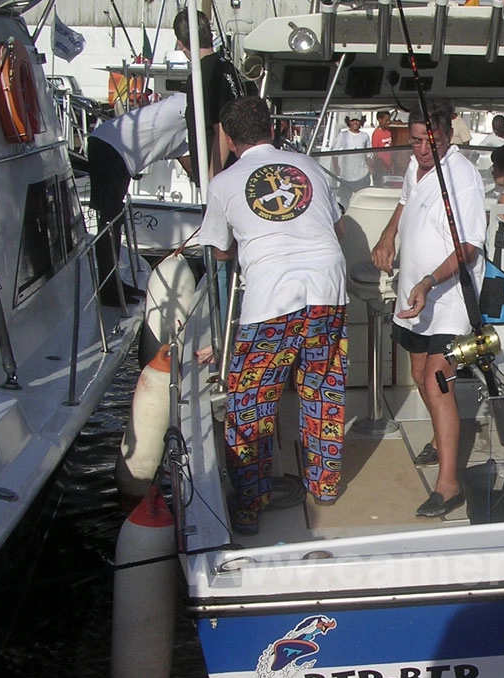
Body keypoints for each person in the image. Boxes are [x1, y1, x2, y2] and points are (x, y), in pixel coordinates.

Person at [196, 97, 348, 535]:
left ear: (227, 137)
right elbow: (337, 228)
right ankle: (325, 484)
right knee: (321, 386)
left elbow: (221, 250)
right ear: (273, 128)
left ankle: (248, 503)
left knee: (250, 404)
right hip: (327, 291)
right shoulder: (308, 166)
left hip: (270, 302)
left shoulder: (224, 183)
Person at [370, 98, 486, 518]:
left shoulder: (463, 177)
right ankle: (441, 442)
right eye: (414, 140)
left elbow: (469, 246)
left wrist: (429, 281)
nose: (420, 149)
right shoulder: (415, 168)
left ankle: (449, 484)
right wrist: (387, 237)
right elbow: (405, 203)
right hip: (413, 294)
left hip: (449, 297)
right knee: (419, 374)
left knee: (438, 382)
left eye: (428, 141)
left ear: (445, 134)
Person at [87, 92, 190, 306]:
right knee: (109, 223)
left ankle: (113, 284)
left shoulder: (184, 131)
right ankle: (108, 290)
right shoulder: (186, 103)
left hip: (118, 154)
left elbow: (193, 167)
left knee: (115, 221)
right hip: (111, 149)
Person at [173, 8, 254, 184]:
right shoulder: (229, 67)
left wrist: (211, 179)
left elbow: (222, 127)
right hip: (240, 168)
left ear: (181, 43)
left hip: (222, 174)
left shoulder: (201, 76)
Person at [331, 114, 371, 206]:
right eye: (352, 120)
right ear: (348, 121)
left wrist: (370, 168)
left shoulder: (365, 136)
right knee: (344, 199)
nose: (355, 122)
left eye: (357, 120)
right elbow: (334, 153)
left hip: (362, 174)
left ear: (361, 121)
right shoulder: (342, 135)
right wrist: (337, 169)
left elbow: (369, 154)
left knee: (362, 199)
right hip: (346, 174)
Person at [370, 109, 394, 182]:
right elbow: (375, 152)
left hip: (389, 165)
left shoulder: (389, 132)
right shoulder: (376, 134)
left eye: (389, 120)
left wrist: (391, 164)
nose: (388, 122)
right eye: (386, 120)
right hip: (381, 167)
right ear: (379, 120)